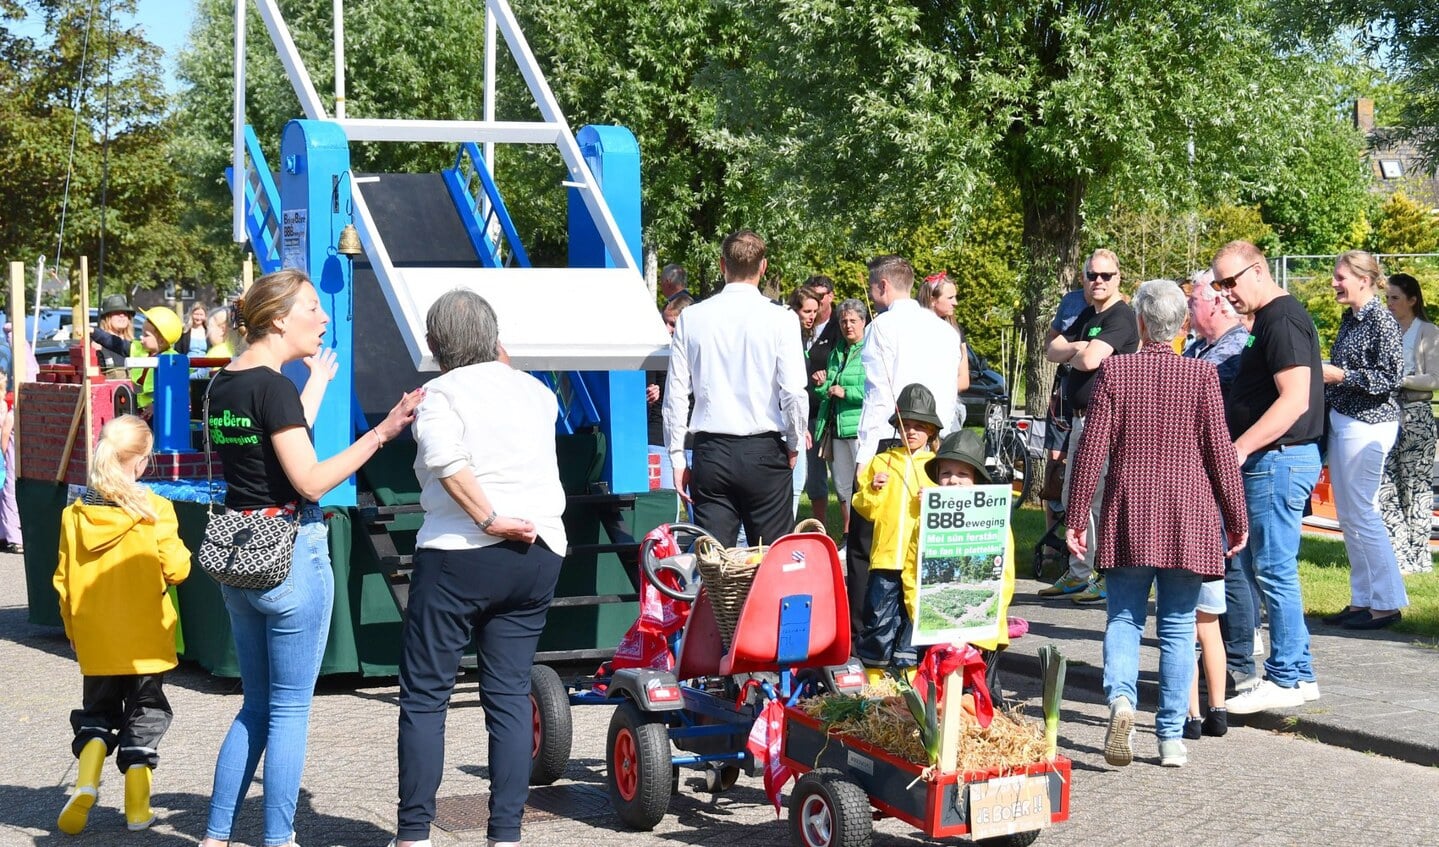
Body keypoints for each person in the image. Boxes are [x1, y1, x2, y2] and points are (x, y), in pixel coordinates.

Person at [199, 269, 424, 847]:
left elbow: (275, 439)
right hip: (292, 552)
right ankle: (278, 839)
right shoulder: (272, 388)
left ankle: (216, 835)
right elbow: (308, 480)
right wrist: (381, 434)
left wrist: (315, 383)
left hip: (241, 553)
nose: (323, 318)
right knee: (290, 709)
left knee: (255, 706)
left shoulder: (225, 384)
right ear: (279, 319)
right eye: (313, 309)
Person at [391, 289, 568, 847]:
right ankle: (506, 835)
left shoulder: (437, 395)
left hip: (458, 553)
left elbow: (447, 461)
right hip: (538, 550)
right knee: (510, 695)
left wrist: (488, 518)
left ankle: (416, 832)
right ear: (496, 340)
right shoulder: (538, 393)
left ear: (432, 346)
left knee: (425, 695)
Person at [1066, 279, 1248, 769]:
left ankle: (1121, 701)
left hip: (1130, 511)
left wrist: (1078, 512)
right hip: (1188, 515)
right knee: (1176, 626)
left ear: (1141, 323)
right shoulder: (1201, 378)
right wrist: (1236, 518)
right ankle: (1170, 737)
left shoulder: (1116, 373)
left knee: (1123, 617)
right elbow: (1219, 456)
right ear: (1181, 326)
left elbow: (1093, 449)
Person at [52, 415, 191, 833]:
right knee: (146, 713)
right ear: (142, 462)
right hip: (147, 636)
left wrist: (74, 631)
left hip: (95, 636)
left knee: (97, 712)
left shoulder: (74, 514)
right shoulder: (157, 509)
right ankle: (136, 809)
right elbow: (178, 569)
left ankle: (86, 781)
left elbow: (62, 581)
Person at [1213, 241, 1324, 715]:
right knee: (1272, 569)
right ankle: (1298, 674)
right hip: (1276, 460)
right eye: (1218, 285)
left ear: (1257, 271)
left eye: (1231, 282)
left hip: (1279, 460)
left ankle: (1285, 676)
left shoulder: (1280, 318)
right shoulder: (1269, 320)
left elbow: (1294, 398)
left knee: (1275, 570)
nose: (1225, 293)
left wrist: (1241, 446)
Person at [663, 230, 808, 547]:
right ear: (763, 266)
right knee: (771, 562)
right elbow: (794, 391)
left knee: (716, 565)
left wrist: (676, 456)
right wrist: (795, 441)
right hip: (763, 450)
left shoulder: (693, 317)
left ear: (721, 265)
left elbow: (675, 396)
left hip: (712, 451)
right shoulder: (780, 318)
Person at [849, 256, 962, 637]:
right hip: (936, 443)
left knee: (870, 547)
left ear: (882, 286)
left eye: (871, 287)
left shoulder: (882, 327)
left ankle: (867, 638)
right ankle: (921, 635)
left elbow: (877, 396)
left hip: (892, 441)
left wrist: (864, 460)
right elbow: (950, 395)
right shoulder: (945, 330)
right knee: (928, 541)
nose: (870, 295)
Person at [1043, 249, 1140, 603]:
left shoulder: (1122, 317)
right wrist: (1079, 345)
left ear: (1119, 278)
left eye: (1106, 276)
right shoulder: (1087, 314)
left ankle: (1104, 572)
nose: (1098, 281)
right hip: (1079, 420)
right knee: (1073, 495)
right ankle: (1079, 571)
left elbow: (1088, 360)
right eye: (1092, 275)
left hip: (1107, 421)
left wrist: (1079, 349)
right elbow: (1050, 349)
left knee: (1099, 498)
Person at [1318, 251, 1406, 630]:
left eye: (1341, 277)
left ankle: (1387, 603)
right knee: (1349, 515)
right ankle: (1362, 600)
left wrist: (1341, 376)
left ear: (1364, 280)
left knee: (1363, 512)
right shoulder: (1350, 318)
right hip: (1344, 421)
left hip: (1368, 424)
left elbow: (1390, 378)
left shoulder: (1382, 320)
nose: (1335, 283)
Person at [1182, 270, 1251, 734]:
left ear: (1215, 306)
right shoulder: (1195, 351)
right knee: (1197, 613)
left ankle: (1241, 663)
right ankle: (1206, 705)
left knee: (1228, 581)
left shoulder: (1233, 349)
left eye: (1194, 302)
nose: (1189, 310)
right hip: (1196, 486)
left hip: (1213, 484)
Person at [852, 383, 942, 680]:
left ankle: (909, 676)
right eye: (907, 426)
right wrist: (873, 490)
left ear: (931, 431)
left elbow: (945, 512)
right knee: (879, 617)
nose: (912, 432)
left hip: (920, 562)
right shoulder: (882, 462)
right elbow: (865, 509)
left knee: (913, 618)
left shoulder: (937, 468)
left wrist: (932, 498)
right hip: (886, 557)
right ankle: (876, 676)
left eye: (920, 426)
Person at [925, 428, 1015, 695]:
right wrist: (919, 609)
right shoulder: (926, 520)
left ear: (976, 480)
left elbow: (1006, 575)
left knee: (980, 698)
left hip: (983, 635)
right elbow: (912, 568)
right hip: (936, 634)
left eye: (963, 474)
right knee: (937, 700)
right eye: (946, 473)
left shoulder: (994, 520)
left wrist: (986, 614)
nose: (953, 481)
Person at [1379, 271, 1439, 575]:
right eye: (1386, 297)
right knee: (1385, 486)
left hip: (1416, 417)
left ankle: (1418, 558)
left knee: (1415, 489)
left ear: (1412, 300)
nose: (1389, 303)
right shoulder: (1384, 328)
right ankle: (1397, 554)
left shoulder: (1427, 331)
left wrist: (1399, 380)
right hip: (1386, 415)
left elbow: (1435, 378)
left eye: (1395, 298)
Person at [814, 298, 869, 539]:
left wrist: (847, 393)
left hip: (859, 427)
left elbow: (874, 389)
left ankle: (864, 535)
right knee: (843, 487)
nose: (848, 326)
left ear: (864, 322)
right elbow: (830, 386)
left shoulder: (870, 350)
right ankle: (848, 535)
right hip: (836, 427)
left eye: (853, 321)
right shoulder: (838, 350)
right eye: (844, 321)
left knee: (863, 485)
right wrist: (821, 384)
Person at [92, 305, 184, 418]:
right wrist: (94, 332)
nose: (141, 337)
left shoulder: (172, 360)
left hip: (162, 413)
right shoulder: (138, 349)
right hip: (140, 410)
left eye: (146, 335)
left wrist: (156, 405)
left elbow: (174, 390)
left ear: (161, 341)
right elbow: (115, 343)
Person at [646, 293, 693, 490]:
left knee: (701, 513)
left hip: (694, 443)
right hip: (660, 439)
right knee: (663, 506)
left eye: (673, 324)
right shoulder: (656, 353)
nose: (667, 329)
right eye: (665, 322)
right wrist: (648, 394)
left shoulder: (702, 353)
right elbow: (642, 394)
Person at [803, 276, 841, 523]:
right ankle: (819, 527)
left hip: (832, 410)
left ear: (831, 296)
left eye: (822, 295)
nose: (818, 300)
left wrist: (829, 376)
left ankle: (849, 533)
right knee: (814, 476)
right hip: (804, 409)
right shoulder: (797, 325)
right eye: (812, 295)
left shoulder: (840, 324)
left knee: (841, 474)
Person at [917, 272, 972, 429]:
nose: (955, 303)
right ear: (932, 300)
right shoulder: (914, 330)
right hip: (917, 409)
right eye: (950, 298)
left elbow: (963, 379)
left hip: (948, 409)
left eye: (955, 297)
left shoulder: (954, 332)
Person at [788, 285, 823, 518]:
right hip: (792, 418)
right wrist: (799, 425)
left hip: (803, 416)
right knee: (795, 481)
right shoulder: (790, 338)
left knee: (799, 481)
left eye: (814, 312)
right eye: (806, 312)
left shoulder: (803, 339)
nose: (811, 317)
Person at [93, 295, 136, 378]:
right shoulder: (97, 345)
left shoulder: (134, 345)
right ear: (107, 318)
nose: (122, 316)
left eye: (125, 313)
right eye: (117, 313)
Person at [0, 372, 19, 553]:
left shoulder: (8, 408)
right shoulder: (8, 409)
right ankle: (8, 535)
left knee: (6, 493)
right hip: (4, 456)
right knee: (6, 493)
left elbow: (5, 434)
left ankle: (6, 534)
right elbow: (5, 434)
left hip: (4, 457)